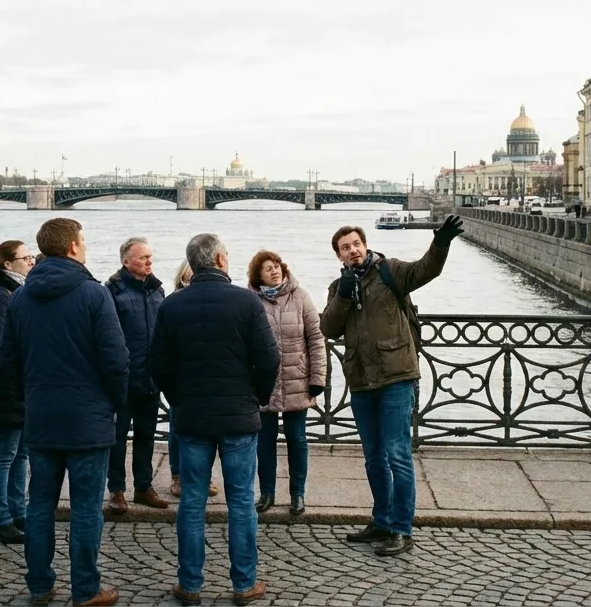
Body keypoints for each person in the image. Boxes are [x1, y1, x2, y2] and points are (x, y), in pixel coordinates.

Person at [0, 217, 127, 607]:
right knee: (86, 509)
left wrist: (29, 395)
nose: (85, 246)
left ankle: (40, 585)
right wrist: (114, 403)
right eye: (83, 241)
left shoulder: (21, 296)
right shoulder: (93, 293)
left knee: (39, 506)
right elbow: (115, 360)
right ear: (72, 246)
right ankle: (86, 589)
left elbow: (8, 358)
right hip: (88, 419)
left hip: (41, 416)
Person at [321, 215, 463, 557]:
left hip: (397, 375)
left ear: (365, 245)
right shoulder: (338, 286)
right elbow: (328, 328)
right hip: (360, 380)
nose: (352, 251)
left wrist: (440, 242)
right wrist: (342, 295)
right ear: (339, 256)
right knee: (373, 457)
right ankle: (381, 521)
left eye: (356, 244)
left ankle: (402, 529)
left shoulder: (391, 271)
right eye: (345, 248)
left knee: (398, 455)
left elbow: (427, 269)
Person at [151, 234, 280, 606]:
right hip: (239, 416)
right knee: (241, 501)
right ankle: (244, 585)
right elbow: (269, 360)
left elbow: (158, 363)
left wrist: (178, 399)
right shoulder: (246, 301)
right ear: (222, 259)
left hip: (191, 417)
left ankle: (189, 584)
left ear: (192, 263)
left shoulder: (173, 305)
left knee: (192, 501)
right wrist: (254, 397)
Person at [246, 250, 325, 517]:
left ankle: (297, 494)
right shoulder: (250, 301)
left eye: (277, 266)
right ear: (258, 276)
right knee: (264, 440)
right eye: (267, 268)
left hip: (297, 379)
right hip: (264, 384)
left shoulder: (300, 296)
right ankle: (267, 493)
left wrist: (318, 378)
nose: (274, 271)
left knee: (297, 438)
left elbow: (316, 338)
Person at [105, 237, 170, 513]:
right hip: (123, 379)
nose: (149, 262)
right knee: (117, 438)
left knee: (146, 435)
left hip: (151, 378)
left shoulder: (157, 291)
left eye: (150, 256)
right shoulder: (112, 292)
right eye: (142, 257)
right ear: (126, 261)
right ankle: (117, 490)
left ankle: (144, 486)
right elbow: (107, 337)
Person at [0, 239, 35, 545]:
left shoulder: (19, 291)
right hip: (6, 386)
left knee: (21, 454)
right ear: (8, 265)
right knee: (4, 455)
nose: (30, 261)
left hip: (21, 386)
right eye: (25, 258)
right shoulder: (0, 294)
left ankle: (18, 512)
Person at [165, 259, 217, 501]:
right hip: (181, 378)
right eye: (187, 278)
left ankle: (203, 476)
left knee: (207, 432)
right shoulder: (173, 304)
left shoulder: (214, 301)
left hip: (209, 378)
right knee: (177, 428)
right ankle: (178, 476)